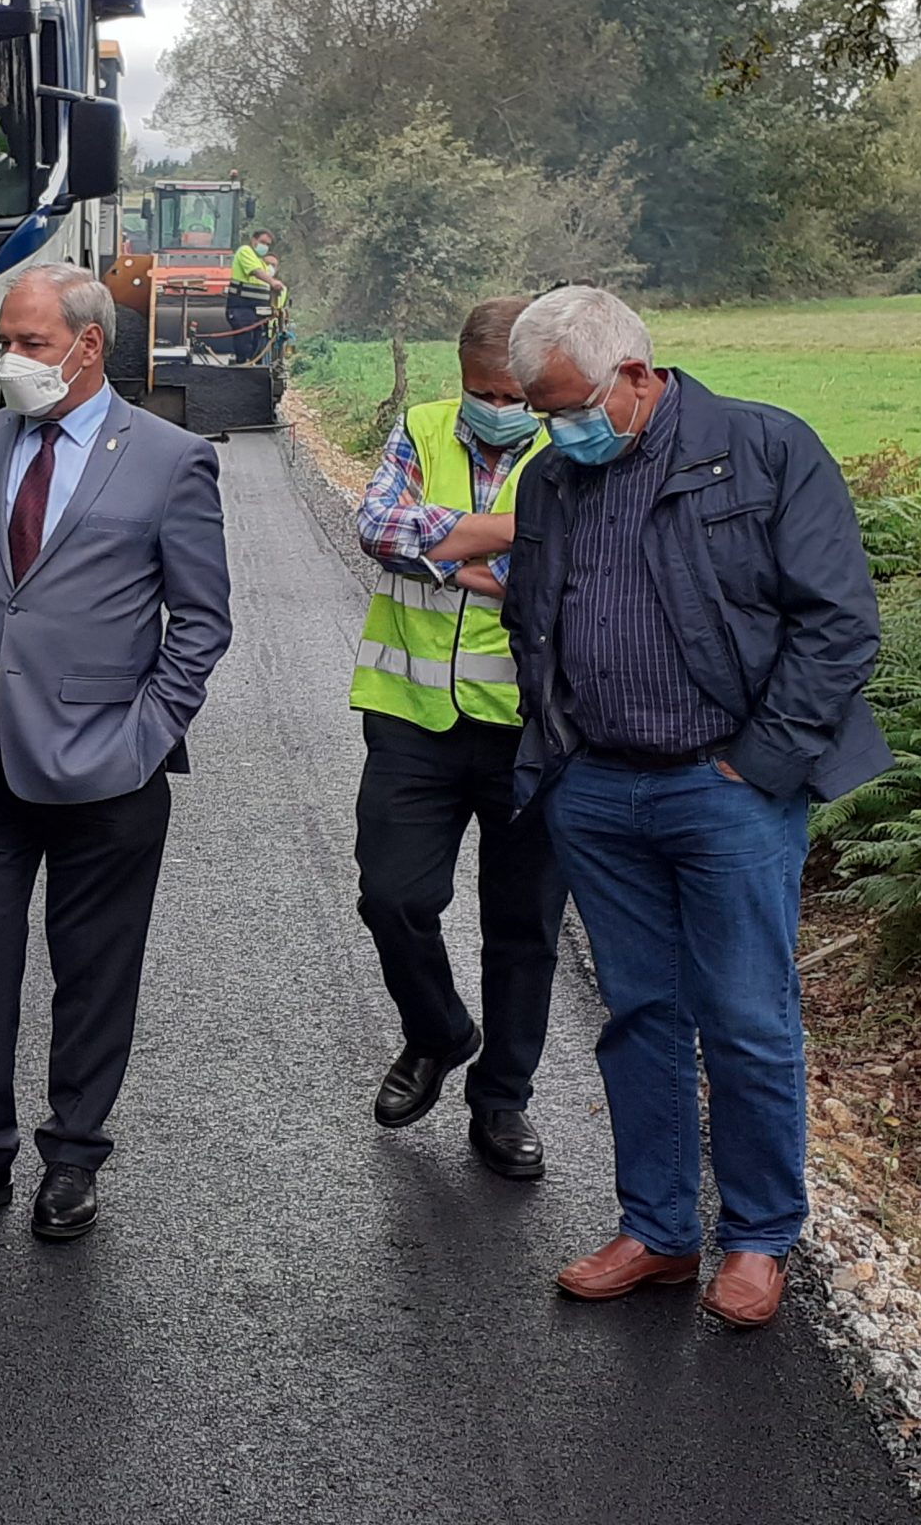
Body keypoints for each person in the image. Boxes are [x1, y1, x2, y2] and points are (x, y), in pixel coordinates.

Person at [502, 285, 888, 1329]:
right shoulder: (552, 481)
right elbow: (536, 621)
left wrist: (756, 763)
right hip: (599, 789)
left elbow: (839, 626)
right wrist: (564, 753)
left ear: (635, 373)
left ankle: (759, 1240)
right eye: (541, 412)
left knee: (747, 1017)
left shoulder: (761, 451)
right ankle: (660, 1231)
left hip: (724, 793)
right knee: (640, 1017)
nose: (555, 429)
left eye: (568, 405)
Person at [0, 264, 233, 1242]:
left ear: (89, 347)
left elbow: (201, 623)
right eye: (7, 340)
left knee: (94, 969)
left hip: (108, 774)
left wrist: (142, 736)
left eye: (31, 344)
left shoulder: (169, 459)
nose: (12, 360)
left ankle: (73, 1155)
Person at [348, 295, 566, 1180]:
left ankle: (502, 1102)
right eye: (489, 390)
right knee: (391, 898)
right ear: (464, 378)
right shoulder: (425, 426)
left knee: (523, 928)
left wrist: (452, 555)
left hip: (529, 731)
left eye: (520, 394)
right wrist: (517, 545)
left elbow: (576, 569)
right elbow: (378, 528)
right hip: (411, 719)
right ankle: (439, 1032)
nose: (503, 407)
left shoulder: (572, 441)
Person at [226, 228, 283, 363]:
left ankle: (254, 369)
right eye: (263, 242)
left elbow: (270, 270)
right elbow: (256, 272)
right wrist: (272, 282)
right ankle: (243, 368)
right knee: (245, 343)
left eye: (268, 244)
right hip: (242, 307)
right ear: (254, 240)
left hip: (259, 312)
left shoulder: (261, 262)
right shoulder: (245, 251)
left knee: (258, 344)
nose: (265, 246)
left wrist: (274, 265)